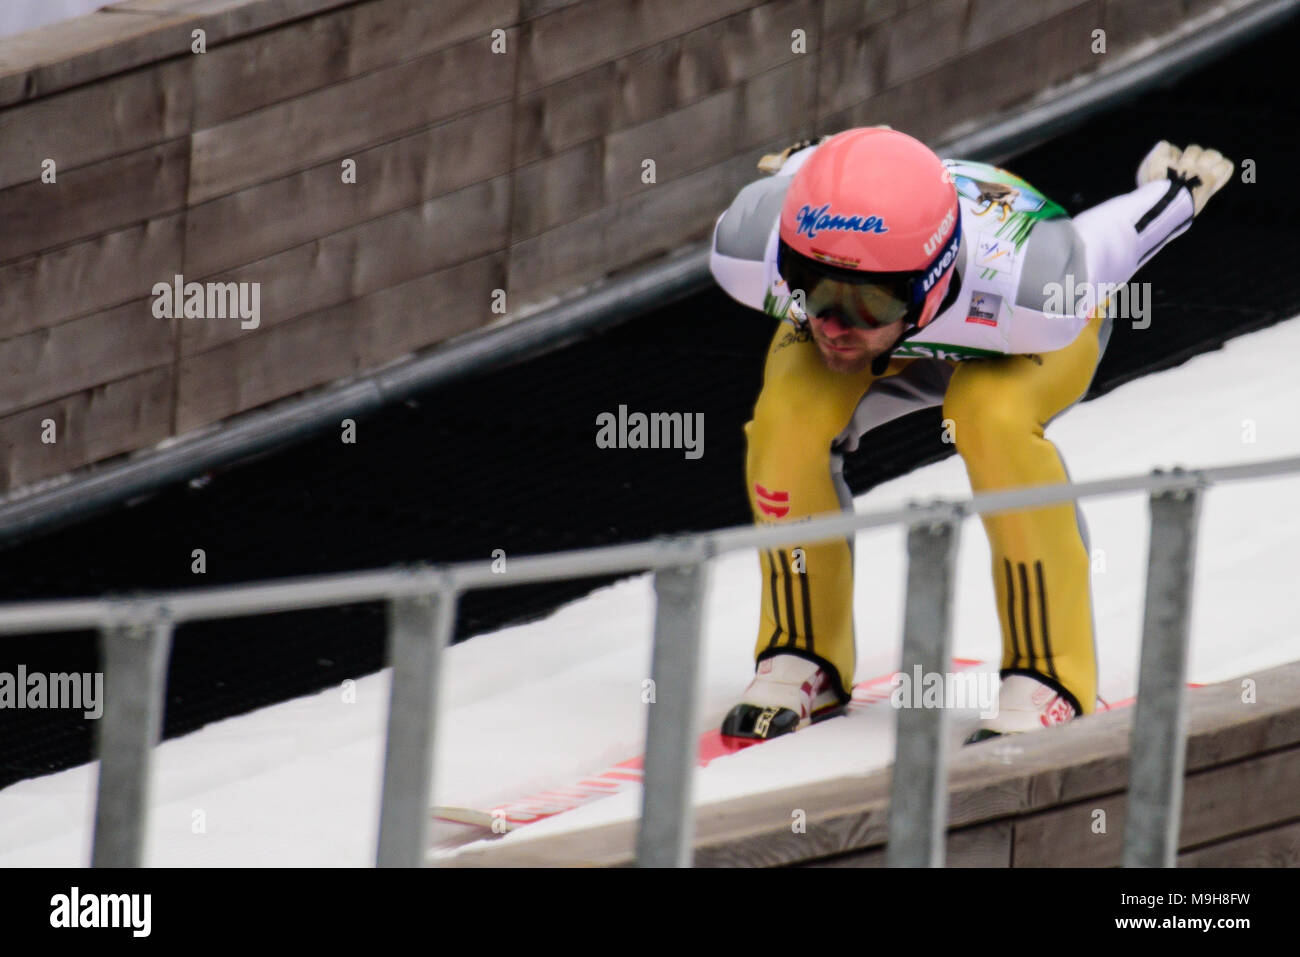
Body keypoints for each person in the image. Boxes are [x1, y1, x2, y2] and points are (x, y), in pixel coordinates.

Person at [708, 127, 1232, 741]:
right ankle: (802, 651)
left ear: (930, 281)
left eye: (867, 304)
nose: (834, 325)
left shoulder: (1043, 288)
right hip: (936, 314)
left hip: (1011, 331)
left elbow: (1126, 232)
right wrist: (811, 163)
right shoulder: (753, 243)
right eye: (809, 289)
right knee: (787, 419)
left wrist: (1174, 191)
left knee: (990, 418)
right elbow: (806, 172)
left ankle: (1048, 673)